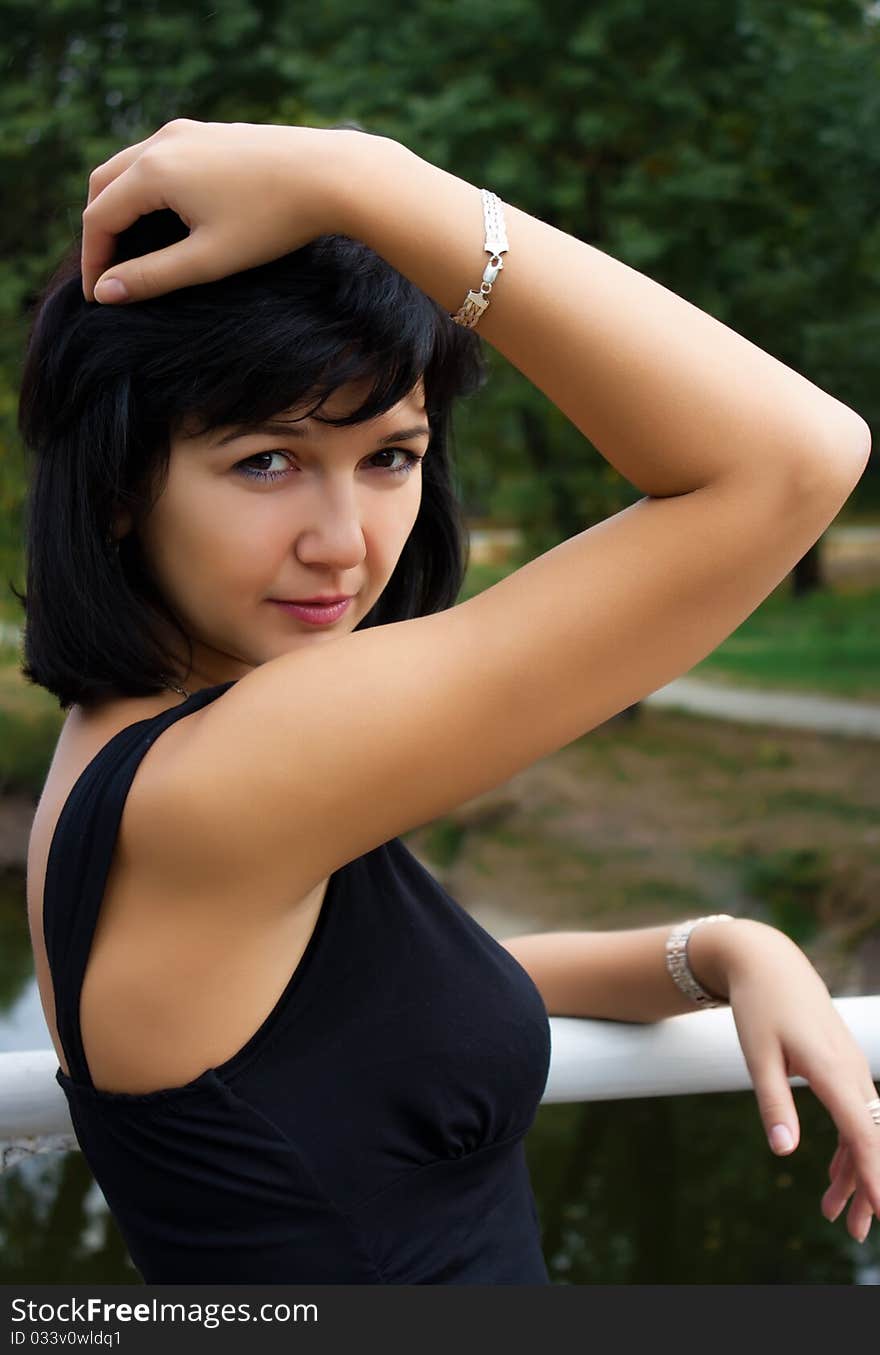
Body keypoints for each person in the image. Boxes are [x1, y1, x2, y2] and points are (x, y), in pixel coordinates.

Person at [18, 118, 877, 1284]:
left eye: (391, 455)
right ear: (121, 487)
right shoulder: (220, 780)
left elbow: (369, 1018)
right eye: (265, 461)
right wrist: (366, 177)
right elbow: (793, 456)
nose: (343, 543)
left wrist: (712, 948)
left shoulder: (150, 759)